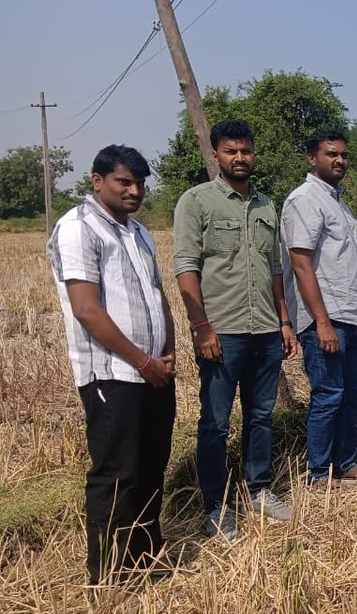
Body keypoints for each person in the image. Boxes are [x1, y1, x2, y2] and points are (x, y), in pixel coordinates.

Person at [47, 145, 176, 586]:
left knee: (151, 467)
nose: (134, 191)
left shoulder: (139, 232)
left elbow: (157, 296)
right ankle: (107, 577)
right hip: (113, 374)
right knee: (116, 474)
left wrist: (167, 351)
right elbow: (87, 309)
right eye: (124, 182)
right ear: (97, 181)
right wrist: (143, 361)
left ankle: (146, 559)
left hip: (154, 371)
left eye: (140, 183)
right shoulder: (78, 228)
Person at [173, 120, 298, 542]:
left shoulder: (266, 205)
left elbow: (275, 270)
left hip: (264, 329)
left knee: (261, 416)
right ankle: (216, 505)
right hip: (221, 332)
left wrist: (284, 321)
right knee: (215, 423)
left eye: (245, 151)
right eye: (231, 151)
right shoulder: (197, 202)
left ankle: (258, 490)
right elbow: (186, 265)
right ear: (215, 156)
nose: (239, 158)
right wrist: (201, 327)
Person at [281, 130, 357, 485]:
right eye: (331, 154)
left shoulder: (338, 202)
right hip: (327, 317)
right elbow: (301, 263)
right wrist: (321, 322)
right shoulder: (304, 200)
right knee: (328, 394)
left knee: (350, 393)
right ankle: (318, 472)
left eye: (344, 155)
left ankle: (345, 463)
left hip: (350, 314)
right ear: (311, 158)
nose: (339, 161)